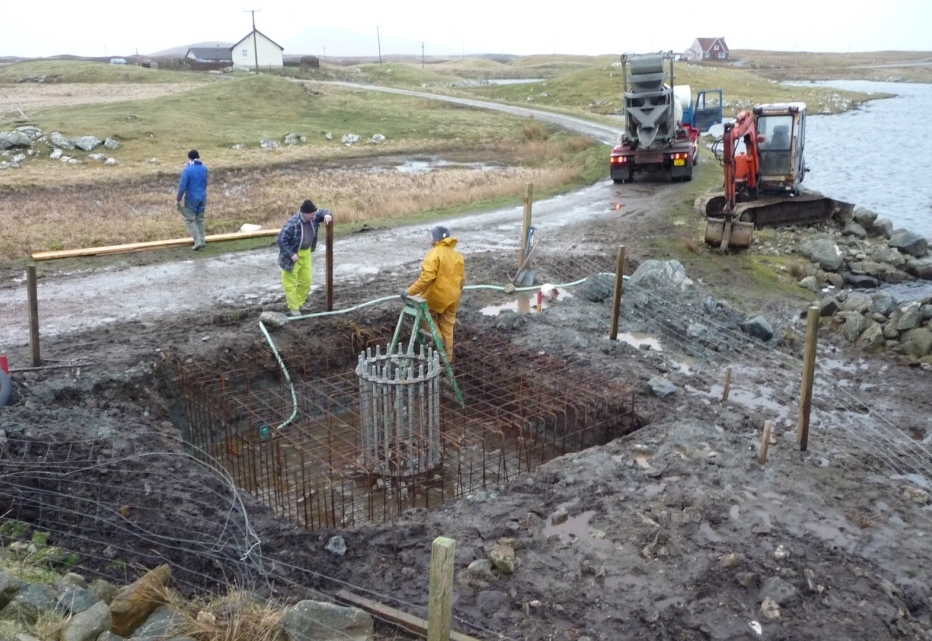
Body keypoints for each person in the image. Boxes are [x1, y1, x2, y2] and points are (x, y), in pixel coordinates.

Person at [403, 225, 465, 363]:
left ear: (436, 239)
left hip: (436, 298)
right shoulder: (458, 256)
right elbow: (462, 280)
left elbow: (426, 278)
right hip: (453, 299)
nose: (430, 238)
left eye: (431, 236)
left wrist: (409, 291)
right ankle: (448, 361)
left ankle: (438, 341)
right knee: (448, 328)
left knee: (426, 315)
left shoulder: (434, 254)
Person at [277, 199, 333, 317]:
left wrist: (327, 215)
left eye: (315, 214)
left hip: (306, 253)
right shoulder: (292, 223)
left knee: (306, 281)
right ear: (305, 214)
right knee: (290, 284)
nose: (315, 216)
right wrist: (291, 254)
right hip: (291, 257)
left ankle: (299, 303)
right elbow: (281, 239)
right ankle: (294, 309)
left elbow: (323, 211)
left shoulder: (313, 217)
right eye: (312, 214)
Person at [175, 149, 209, 250]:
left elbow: (182, 186)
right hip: (203, 196)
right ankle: (202, 240)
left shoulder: (187, 170)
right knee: (200, 219)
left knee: (190, 220)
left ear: (189, 158)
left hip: (191, 198)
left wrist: (178, 198)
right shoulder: (204, 168)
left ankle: (197, 241)